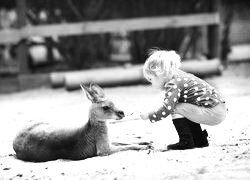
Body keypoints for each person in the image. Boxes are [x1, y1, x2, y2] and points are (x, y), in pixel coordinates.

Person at [140, 49, 227, 150]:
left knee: (175, 108)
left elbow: (166, 109)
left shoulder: (173, 83)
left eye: (151, 79)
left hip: (213, 111)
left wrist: (149, 115)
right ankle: (199, 140)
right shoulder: (180, 76)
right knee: (183, 106)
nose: (151, 84)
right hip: (218, 108)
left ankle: (186, 141)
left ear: (159, 73)